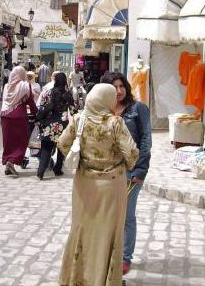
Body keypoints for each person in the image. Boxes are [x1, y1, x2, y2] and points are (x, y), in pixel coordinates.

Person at [57, 83, 138, 286]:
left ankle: (77, 278)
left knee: (83, 229)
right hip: (111, 187)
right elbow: (132, 154)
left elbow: (62, 143)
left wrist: (84, 159)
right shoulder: (115, 123)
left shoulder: (79, 119)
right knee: (107, 233)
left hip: (84, 185)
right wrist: (121, 162)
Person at [101, 71, 152, 275]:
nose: (119, 90)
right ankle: (108, 253)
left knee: (126, 216)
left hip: (131, 172)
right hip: (107, 172)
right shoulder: (103, 110)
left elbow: (146, 140)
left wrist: (140, 169)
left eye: (122, 86)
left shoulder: (138, 109)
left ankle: (125, 257)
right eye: (114, 87)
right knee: (108, 215)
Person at [0, 65, 37, 176]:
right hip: (19, 117)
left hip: (5, 116)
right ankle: (11, 162)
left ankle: (8, 163)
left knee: (8, 141)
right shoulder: (25, 86)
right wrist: (37, 114)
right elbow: (31, 103)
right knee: (21, 141)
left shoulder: (7, 86)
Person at [36, 72, 73, 180]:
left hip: (49, 124)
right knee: (61, 148)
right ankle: (57, 169)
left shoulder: (48, 92)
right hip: (62, 124)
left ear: (56, 80)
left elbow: (42, 106)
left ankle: (41, 171)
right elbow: (73, 110)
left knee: (46, 148)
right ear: (65, 81)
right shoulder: (68, 94)